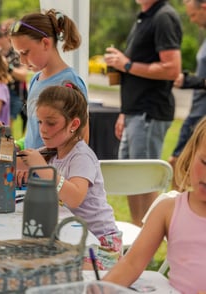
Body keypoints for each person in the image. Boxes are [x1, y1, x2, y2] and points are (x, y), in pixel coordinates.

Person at [10, 82, 121, 270]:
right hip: (72, 236)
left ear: (74, 124)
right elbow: (14, 162)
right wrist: (1, 142)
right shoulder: (52, 151)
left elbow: (75, 197)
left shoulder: (81, 156)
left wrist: (42, 168)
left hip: (100, 245)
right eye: (40, 122)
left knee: (54, 270)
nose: (43, 129)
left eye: (51, 123)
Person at [103, 116, 206, 293]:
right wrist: (99, 289)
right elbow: (131, 263)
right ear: (192, 153)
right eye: (204, 162)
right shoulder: (168, 210)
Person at [104, 0, 182, 227]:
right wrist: (124, 113)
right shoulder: (145, 16)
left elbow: (172, 69)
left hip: (150, 112)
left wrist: (126, 65)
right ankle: (139, 236)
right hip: (134, 113)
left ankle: (148, 240)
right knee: (131, 180)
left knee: (145, 180)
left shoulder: (163, 17)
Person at [6, 9, 88, 150]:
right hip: (32, 169)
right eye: (18, 54)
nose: (22, 60)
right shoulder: (35, 79)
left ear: (45, 43)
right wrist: (16, 146)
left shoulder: (69, 81)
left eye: (25, 53)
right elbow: (34, 134)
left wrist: (39, 158)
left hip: (53, 171)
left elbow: (81, 139)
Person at [169, 0, 206, 191]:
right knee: (179, 163)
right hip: (196, 112)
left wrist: (192, 82)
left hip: (202, 118)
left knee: (178, 163)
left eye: (193, 15)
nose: (192, 20)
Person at [0, 19, 29, 130]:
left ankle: (6, 146)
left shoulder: (17, 52)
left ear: (7, 36)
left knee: (5, 128)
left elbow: (23, 75)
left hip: (13, 94)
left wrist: (7, 66)